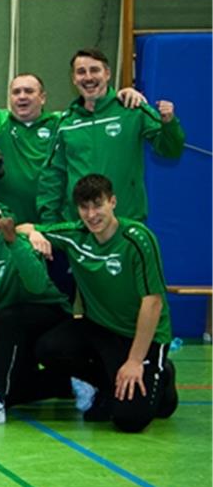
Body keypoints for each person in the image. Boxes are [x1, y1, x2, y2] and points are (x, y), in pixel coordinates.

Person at [24, 174, 179, 432]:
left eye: (98, 205)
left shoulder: (138, 239)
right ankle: (110, 384)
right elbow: (24, 227)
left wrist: (134, 362)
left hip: (144, 337)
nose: (92, 214)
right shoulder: (75, 235)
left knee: (129, 419)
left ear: (113, 202)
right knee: (48, 348)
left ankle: (163, 378)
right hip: (101, 328)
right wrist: (34, 234)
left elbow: (153, 303)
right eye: (84, 207)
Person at [0, 45, 149, 225]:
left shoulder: (62, 122)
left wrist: (126, 94)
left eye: (29, 91)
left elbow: (96, 114)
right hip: (11, 223)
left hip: (54, 222)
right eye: (16, 92)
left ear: (42, 98)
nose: (22, 96)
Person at [0, 193, 72, 427]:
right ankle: (64, 383)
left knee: (10, 318)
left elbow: (37, 286)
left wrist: (13, 242)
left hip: (49, 316)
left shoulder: (20, 241)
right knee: (15, 390)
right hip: (10, 332)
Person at [36, 48, 183, 224]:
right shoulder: (65, 124)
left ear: (107, 74)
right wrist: (50, 224)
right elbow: (53, 176)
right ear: (74, 79)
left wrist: (169, 123)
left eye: (95, 70)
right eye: (81, 72)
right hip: (81, 226)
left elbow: (171, 150)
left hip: (125, 221)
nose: (88, 77)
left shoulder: (132, 109)